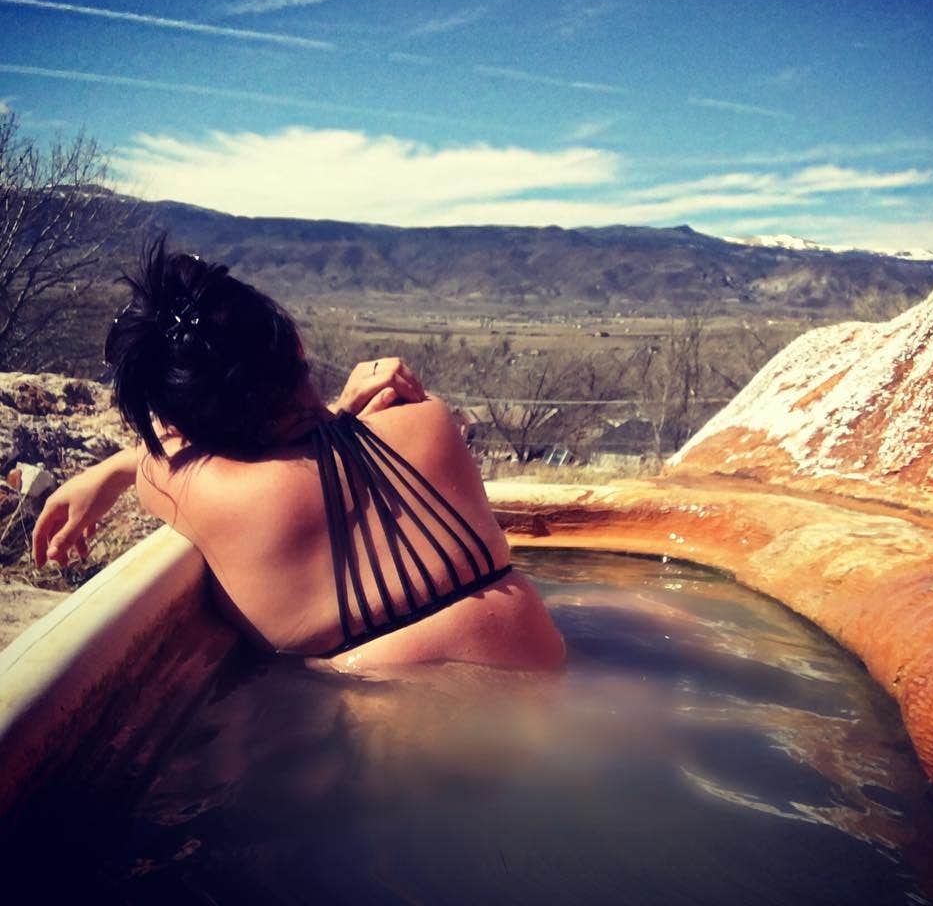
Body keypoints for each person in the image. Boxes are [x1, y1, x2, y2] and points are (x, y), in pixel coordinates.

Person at [31, 239, 565, 672]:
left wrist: (112, 468)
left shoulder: (206, 494)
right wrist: (341, 413)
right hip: (552, 690)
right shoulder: (428, 423)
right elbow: (326, 454)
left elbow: (156, 463)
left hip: (396, 751)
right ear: (295, 346)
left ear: (177, 425)